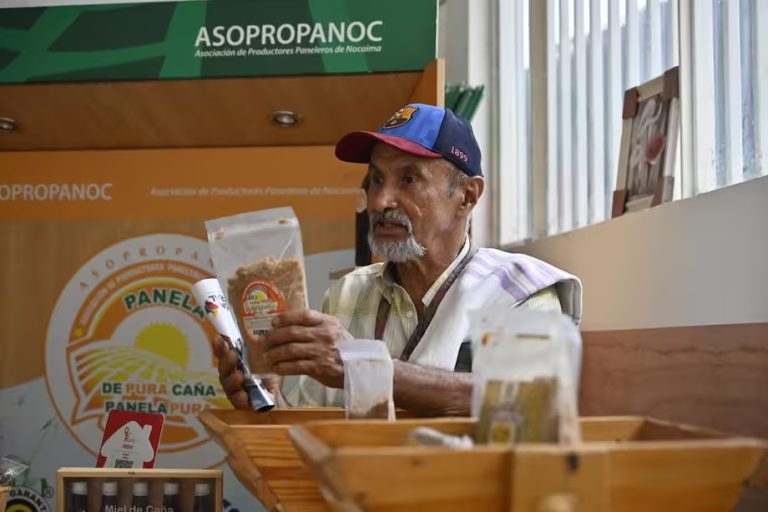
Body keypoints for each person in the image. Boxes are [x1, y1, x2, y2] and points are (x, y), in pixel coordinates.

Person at [214, 103, 581, 416]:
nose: (378, 202)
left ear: (467, 196)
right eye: (376, 179)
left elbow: (528, 403)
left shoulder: (519, 292)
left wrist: (359, 366)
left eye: (408, 179)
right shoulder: (345, 295)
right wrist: (267, 400)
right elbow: (315, 430)